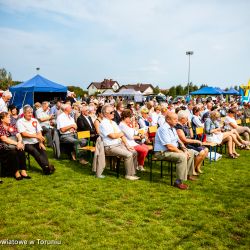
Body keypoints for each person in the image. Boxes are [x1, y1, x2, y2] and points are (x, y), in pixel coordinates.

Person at [154, 112, 196, 190]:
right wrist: (182, 152)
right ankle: (178, 182)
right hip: (161, 152)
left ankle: (187, 175)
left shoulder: (172, 128)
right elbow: (169, 146)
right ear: (168, 120)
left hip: (171, 151)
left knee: (191, 152)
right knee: (182, 156)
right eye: (175, 119)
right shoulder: (163, 129)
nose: (177, 121)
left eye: (177, 119)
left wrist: (184, 149)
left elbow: (179, 141)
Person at [99, 104, 139, 180]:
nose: (113, 113)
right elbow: (113, 136)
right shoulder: (104, 123)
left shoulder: (113, 123)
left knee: (134, 152)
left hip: (118, 144)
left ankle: (132, 173)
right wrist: (120, 134)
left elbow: (121, 135)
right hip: (109, 147)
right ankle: (128, 175)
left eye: (113, 112)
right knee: (128, 154)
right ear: (105, 114)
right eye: (111, 112)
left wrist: (127, 145)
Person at [17, 105, 55, 175]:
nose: (30, 114)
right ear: (24, 113)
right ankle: (47, 167)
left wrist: (40, 142)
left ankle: (46, 168)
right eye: (28, 113)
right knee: (34, 151)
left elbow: (39, 131)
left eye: (31, 112)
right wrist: (36, 136)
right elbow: (24, 134)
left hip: (36, 141)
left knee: (43, 150)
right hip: (26, 143)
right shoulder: (20, 121)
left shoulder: (34, 120)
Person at [0, 112, 30, 180]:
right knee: (14, 152)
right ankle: (16, 172)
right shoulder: (0, 127)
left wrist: (19, 141)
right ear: (2, 119)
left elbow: (18, 134)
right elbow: (4, 139)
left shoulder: (12, 125)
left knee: (21, 150)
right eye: (7, 117)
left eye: (9, 117)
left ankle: (23, 171)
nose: (10, 118)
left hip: (14, 144)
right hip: (4, 147)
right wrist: (17, 144)